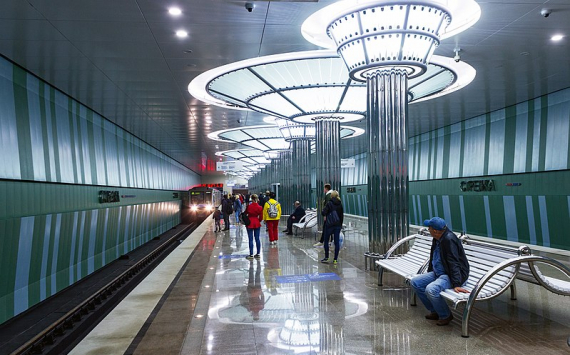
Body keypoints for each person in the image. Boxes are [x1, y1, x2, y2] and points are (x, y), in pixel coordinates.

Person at [410, 217, 470, 326]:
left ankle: (445, 315)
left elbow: (454, 262)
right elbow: (434, 257)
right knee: (415, 282)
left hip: (451, 275)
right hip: (439, 272)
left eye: (429, 228)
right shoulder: (437, 238)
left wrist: (456, 283)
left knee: (431, 289)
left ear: (435, 231)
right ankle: (435, 311)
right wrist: (429, 271)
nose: (428, 229)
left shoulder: (448, 240)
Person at [320, 190, 344, 265]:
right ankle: (335, 259)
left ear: (331, 196)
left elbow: (323, 212)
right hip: (337, 225)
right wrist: (340, 225)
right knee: (337, 242)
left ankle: (327, 257)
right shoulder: (340, 204)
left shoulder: (329, 203)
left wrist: (325, 214)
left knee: (326, 241)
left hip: (329, 225)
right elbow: (341, 216)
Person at [245, 194, 263, 259]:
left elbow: (245, 213)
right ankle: (258, 253)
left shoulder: (249, 206)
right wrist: (258, 221)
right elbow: (261, 217)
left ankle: (251, 254)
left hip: (249, 223)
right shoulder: (260, 207)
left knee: (250, 239)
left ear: (251, 199)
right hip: (257, 222)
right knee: (257, 238)